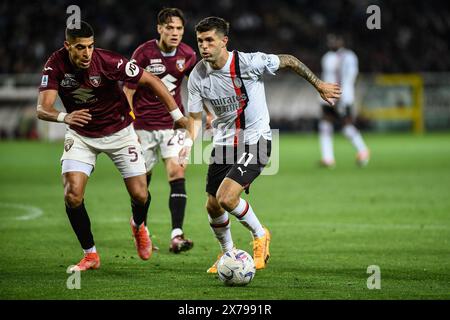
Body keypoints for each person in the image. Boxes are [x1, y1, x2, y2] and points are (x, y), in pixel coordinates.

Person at [178, 17, 341, 273]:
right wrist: (187, 142)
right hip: (224, 143)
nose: (204, 46)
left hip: (256, 140)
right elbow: (196, 118)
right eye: (200, 41)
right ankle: (228, 254)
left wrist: (319, 85)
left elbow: (288, 60)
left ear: (224, 41)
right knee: (212, 204)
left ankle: (260, 234)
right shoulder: (198, 75)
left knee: (226, 197)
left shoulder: (248, 62)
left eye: (210, 40)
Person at [36, 21, 187, 271]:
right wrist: (65, 117)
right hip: (81, 135)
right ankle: (90, 255)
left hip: (119, 132)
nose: (87, 53)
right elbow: (43, 108)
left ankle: (138, 226)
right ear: (67, 46)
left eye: (90, 46)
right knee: (72, 195)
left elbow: (151, 80)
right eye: (80, 47)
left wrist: (177, 116)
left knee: (140, 194)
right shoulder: (55, 64)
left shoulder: (108, 61)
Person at [123, 8, 197, 253]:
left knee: (177, 173)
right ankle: (139, 227)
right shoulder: (143, 54)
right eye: (170, 28)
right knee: (141, 186)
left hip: (173, 126)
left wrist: (204, 112)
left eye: (179, 29)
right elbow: (129, 92)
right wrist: (128, 125)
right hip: (142, 127)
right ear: (159, 29)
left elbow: (197, 85)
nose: (175, 33)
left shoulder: (188, 54)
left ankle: (177, 235)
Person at [318, 33, 370, 168]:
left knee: (346, 126)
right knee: (325, 124)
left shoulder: (348, 56)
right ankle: (327, 158)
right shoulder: (327, 57)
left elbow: (349, 76)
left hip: (342, 96)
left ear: (342, 41)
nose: (332, 42)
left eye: (335, 39)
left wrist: (339, 94)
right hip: (327, 96)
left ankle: (363, 150)